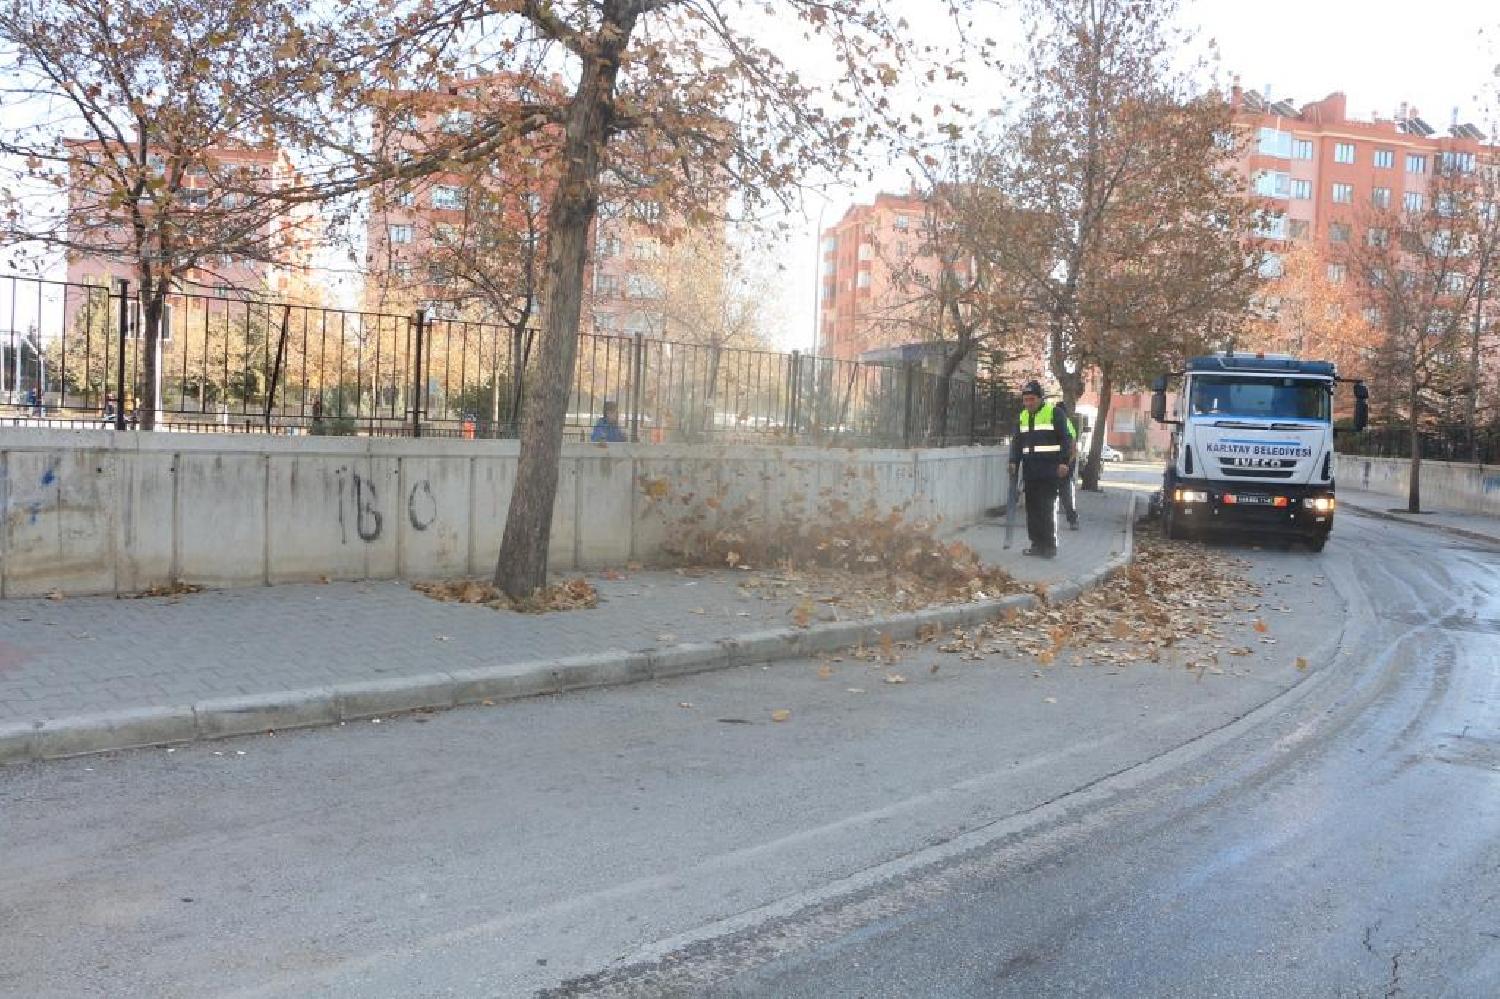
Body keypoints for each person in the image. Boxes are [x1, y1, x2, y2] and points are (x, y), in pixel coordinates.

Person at [1007, 380, 1073, 558]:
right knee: (1033, 509)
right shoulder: (1023, 416)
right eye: (1025, 400)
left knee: (1046, 508)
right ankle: (1036, 544)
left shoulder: (1054, 413)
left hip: (1049, 470)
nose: (1028, 403)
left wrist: (1064, 462)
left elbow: (1065, 439)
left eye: (1032, 399)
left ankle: (1049, 546)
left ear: (1040, 398)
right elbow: (1017, 442)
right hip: (1030, 471)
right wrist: (1013, 461)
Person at [1057, 406, 1080, 531]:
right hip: (1056, 463)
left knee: (1065, 494)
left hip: (1064, 464)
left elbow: (1072, 449)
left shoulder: (1067, 426)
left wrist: (1066, 465)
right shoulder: (1061, 424)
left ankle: (1072, 519)